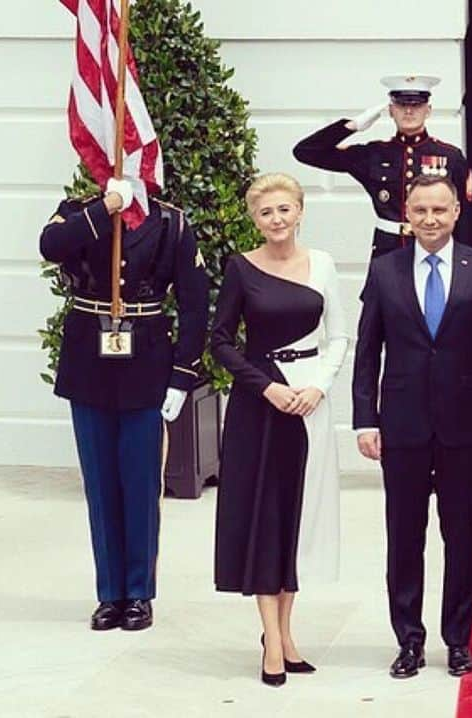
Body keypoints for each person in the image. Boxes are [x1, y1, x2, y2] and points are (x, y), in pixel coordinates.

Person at [352, 174, 472, 679]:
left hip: (464, 427)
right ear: (408, 212)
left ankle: (458, 639)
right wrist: (364, 420)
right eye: (421, 210)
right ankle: (408, 639)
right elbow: (367, 352)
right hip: (401, 425)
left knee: (461, 535)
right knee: (404, 536)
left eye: (439, 211)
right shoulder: (384, 271)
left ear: (455, 213)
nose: (430, 219)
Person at [39, 178, 208, 632]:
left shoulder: (170, 222)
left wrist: (182, 376)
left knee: (139, 483)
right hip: (89, 360)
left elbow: (194, 304)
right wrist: (107, 206)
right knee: (100, 484)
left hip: (146, 362)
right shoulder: (79, 211)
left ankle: (138, 593)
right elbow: (51, 246)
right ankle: (109, 593)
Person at [211, 173, 350, 686]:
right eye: (266, 212)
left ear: (300, 212)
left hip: (309, 402)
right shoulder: (240, 268)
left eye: (284, 210)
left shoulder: (324, 266)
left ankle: (286, 634)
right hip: (261, 405)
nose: (276, 220)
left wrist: (319, 386)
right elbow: (221, 341)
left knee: (296, 520)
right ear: (254, 218)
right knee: (265, 519)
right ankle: (270, 639)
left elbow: (338, 335)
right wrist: (264, 386)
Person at [293, 74, 472, 258]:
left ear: (428, 110)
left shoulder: (449, 156)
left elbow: (464, 215)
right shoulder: (374, 154)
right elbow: (306, 152)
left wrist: (462, 261)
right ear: (391, 110)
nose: (409, 111)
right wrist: (351, 126)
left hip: (436, 250)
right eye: (401, 104)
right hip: (388, 251)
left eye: (416, 104)